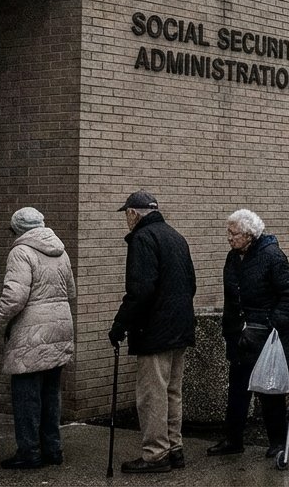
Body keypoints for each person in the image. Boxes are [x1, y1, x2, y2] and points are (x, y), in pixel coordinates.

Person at [0, 207, 76, 470]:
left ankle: (29, 452)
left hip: (32, 335)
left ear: (17, 229)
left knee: (26, 397)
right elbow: (71, 291)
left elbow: (14, 299)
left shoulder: (21, 252)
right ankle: (53, 449)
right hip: (60, 328)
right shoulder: (60, 250)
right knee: (51, 394)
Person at [109, 191, 197, 474]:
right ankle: (174, 447)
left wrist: (120, 325)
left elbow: (140, 290)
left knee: (152, 395)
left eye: (126, 215)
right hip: (180, 327)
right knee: (172, 391)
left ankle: (156, 454)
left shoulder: (142, 239)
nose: (126, 220)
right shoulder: (176, 237)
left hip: (154, 330)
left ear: (133, 213)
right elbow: (191, 284)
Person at [209, 210, 289, 459]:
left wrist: (271, 324)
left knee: (270, 392)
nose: (230, 238)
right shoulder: (233, 258)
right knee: (238, 389)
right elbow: (231, 297)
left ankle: (278, 441)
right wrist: (230, 329)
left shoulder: (272, 256)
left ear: (249, 235)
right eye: (229, 232)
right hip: (240, 334)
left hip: (266, 334)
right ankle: (233, 439)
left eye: (234, 233)